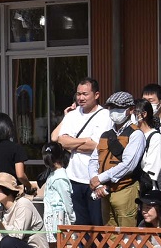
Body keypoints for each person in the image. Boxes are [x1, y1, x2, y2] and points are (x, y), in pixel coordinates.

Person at [50, 77, 111, 227]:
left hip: (94, 179)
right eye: (78, 94)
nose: (81, 98)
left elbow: (97, 145)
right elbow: (61, 140)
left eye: (85, 94)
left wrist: (72, 142)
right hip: (73, 178)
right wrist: (85, 140)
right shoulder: (72, 115)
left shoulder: (105, 116)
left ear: (96, 95)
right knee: (80, 224)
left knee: (97, 223)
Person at [91, 91, 144, 226]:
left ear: (130, 110)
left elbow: (128, 165)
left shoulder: (136, 134)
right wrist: (95, 180)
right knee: (109, 236)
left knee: (127, 237)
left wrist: (101, 178)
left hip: (125, 189)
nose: (114, 111)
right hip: (104, 191)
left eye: (118, 108)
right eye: (111, 107)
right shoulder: (106, 134)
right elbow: (93, 159)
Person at [39, 142, 74, 248]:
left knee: (60, 244)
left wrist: (72, 216)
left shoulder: (60, 177)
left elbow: (66, 198)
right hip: (51, 216)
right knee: (53, 245)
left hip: (58, 216)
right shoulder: (53, 174)